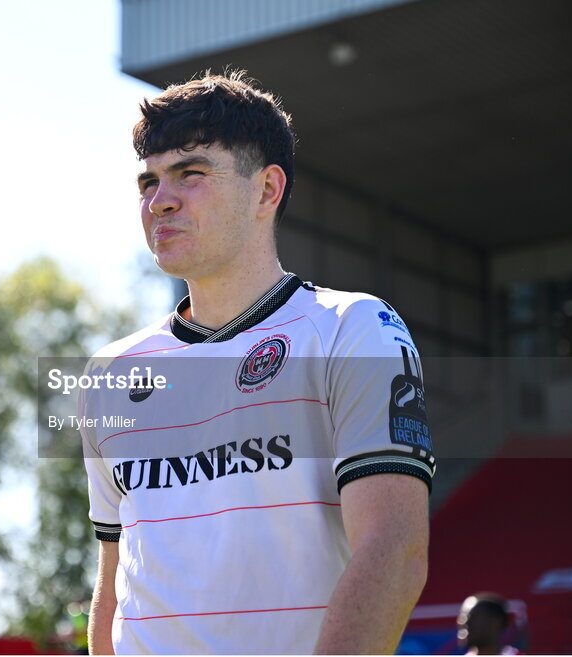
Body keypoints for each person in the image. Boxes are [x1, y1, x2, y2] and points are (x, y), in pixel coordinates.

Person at [79, 70, 435, 654]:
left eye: (190, 173)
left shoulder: (353, 329)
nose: (159, 200)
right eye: (148, 180)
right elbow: (114, 583)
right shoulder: (110, 373)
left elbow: (394, 553)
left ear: (267, 190)